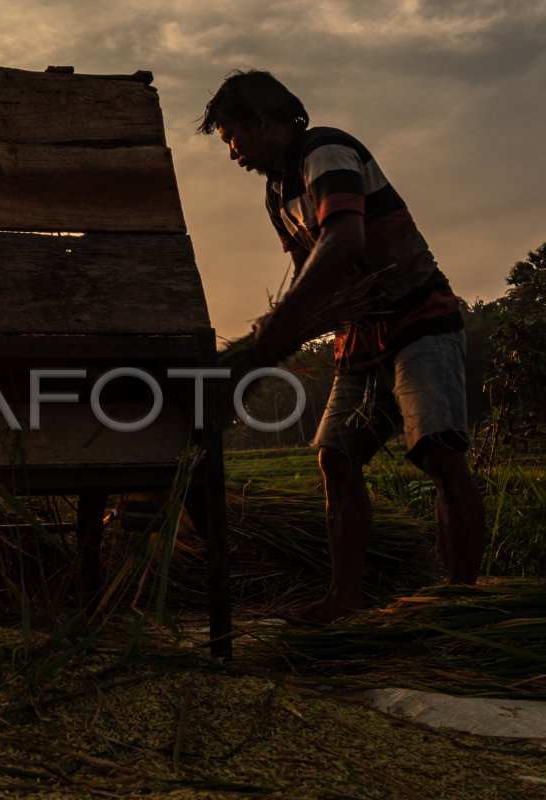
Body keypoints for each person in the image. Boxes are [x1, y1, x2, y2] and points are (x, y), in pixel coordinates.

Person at [198, 71, 484, 622]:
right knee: (336, 458)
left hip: (416, 319)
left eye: (232, 139)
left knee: (439, 453)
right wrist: (279, 333)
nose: (234, 155)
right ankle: (343, 600)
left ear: (260, 121)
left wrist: (283, 320)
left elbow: (343, 237)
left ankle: (459, 604)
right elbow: (309, 269)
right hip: (359, 336)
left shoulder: (325, 151)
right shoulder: (276, 190)